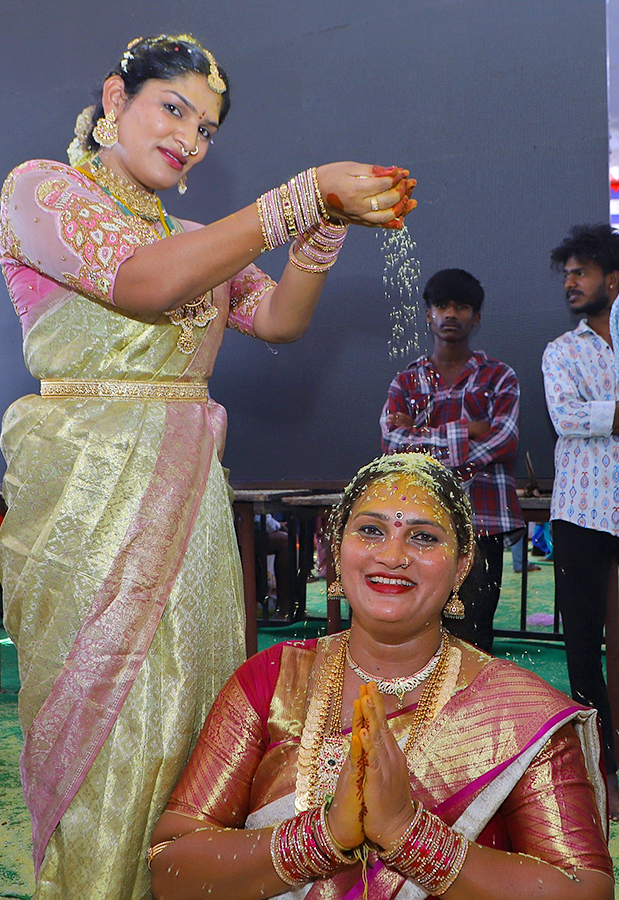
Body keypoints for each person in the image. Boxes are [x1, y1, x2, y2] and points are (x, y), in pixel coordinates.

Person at [0, 32, 418, 898]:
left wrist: (320, 230)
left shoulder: (198, 237)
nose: (189, 137)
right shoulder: (41, 190)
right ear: (115, 99)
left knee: (201, 712)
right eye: (173, 109)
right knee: (108, 725)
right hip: (85, 499)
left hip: (186, 511)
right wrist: (297, 197)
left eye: (208, 128)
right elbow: (142, 284)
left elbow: (280, 321)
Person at [149, 452, 612, 900]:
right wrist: (323, 838)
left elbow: (582, 890)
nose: (393, 555)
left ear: (462, 564)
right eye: (370, 530)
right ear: (336, 549)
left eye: (424, 537)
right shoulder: (271, 681)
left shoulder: (517, 710)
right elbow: (171, 867)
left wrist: (407, 835)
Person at [380, 269, 524, 652]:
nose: (450, 315)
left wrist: (423, 436)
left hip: (483, 523)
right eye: (442, 306)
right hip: (419, 525)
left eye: (462, 307)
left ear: (475, 317)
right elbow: (393, 446)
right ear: (428, 314)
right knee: (420, 631)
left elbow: (504, 441)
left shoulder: (499, 377)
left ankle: (472, 712)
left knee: (476, 635)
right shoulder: (406, 382)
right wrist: (468, 429)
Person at [542, 223, 619, 821]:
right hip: (581, 513)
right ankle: (601, 770)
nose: (570, 283)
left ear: (612, 280)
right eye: (565, 274)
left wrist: (609, 414)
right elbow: (567, 417)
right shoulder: (560, 351)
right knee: (582, 647)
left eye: (582, 273)